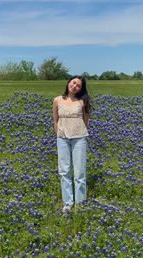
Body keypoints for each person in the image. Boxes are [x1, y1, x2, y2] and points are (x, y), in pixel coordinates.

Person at [53, 75, 91, 213]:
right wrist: (58, 132)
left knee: (79, 171)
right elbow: (55, 119)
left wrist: (80, 130)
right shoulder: (57, 100)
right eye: (73, 82)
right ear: (69, 82)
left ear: (81, 89)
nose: (75, 86)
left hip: (79, 137)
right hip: (62, 137)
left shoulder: (82, 101)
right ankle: (68, 202)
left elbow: (86, 119)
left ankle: (80, 203)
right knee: (64, 171)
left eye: (78, 85)